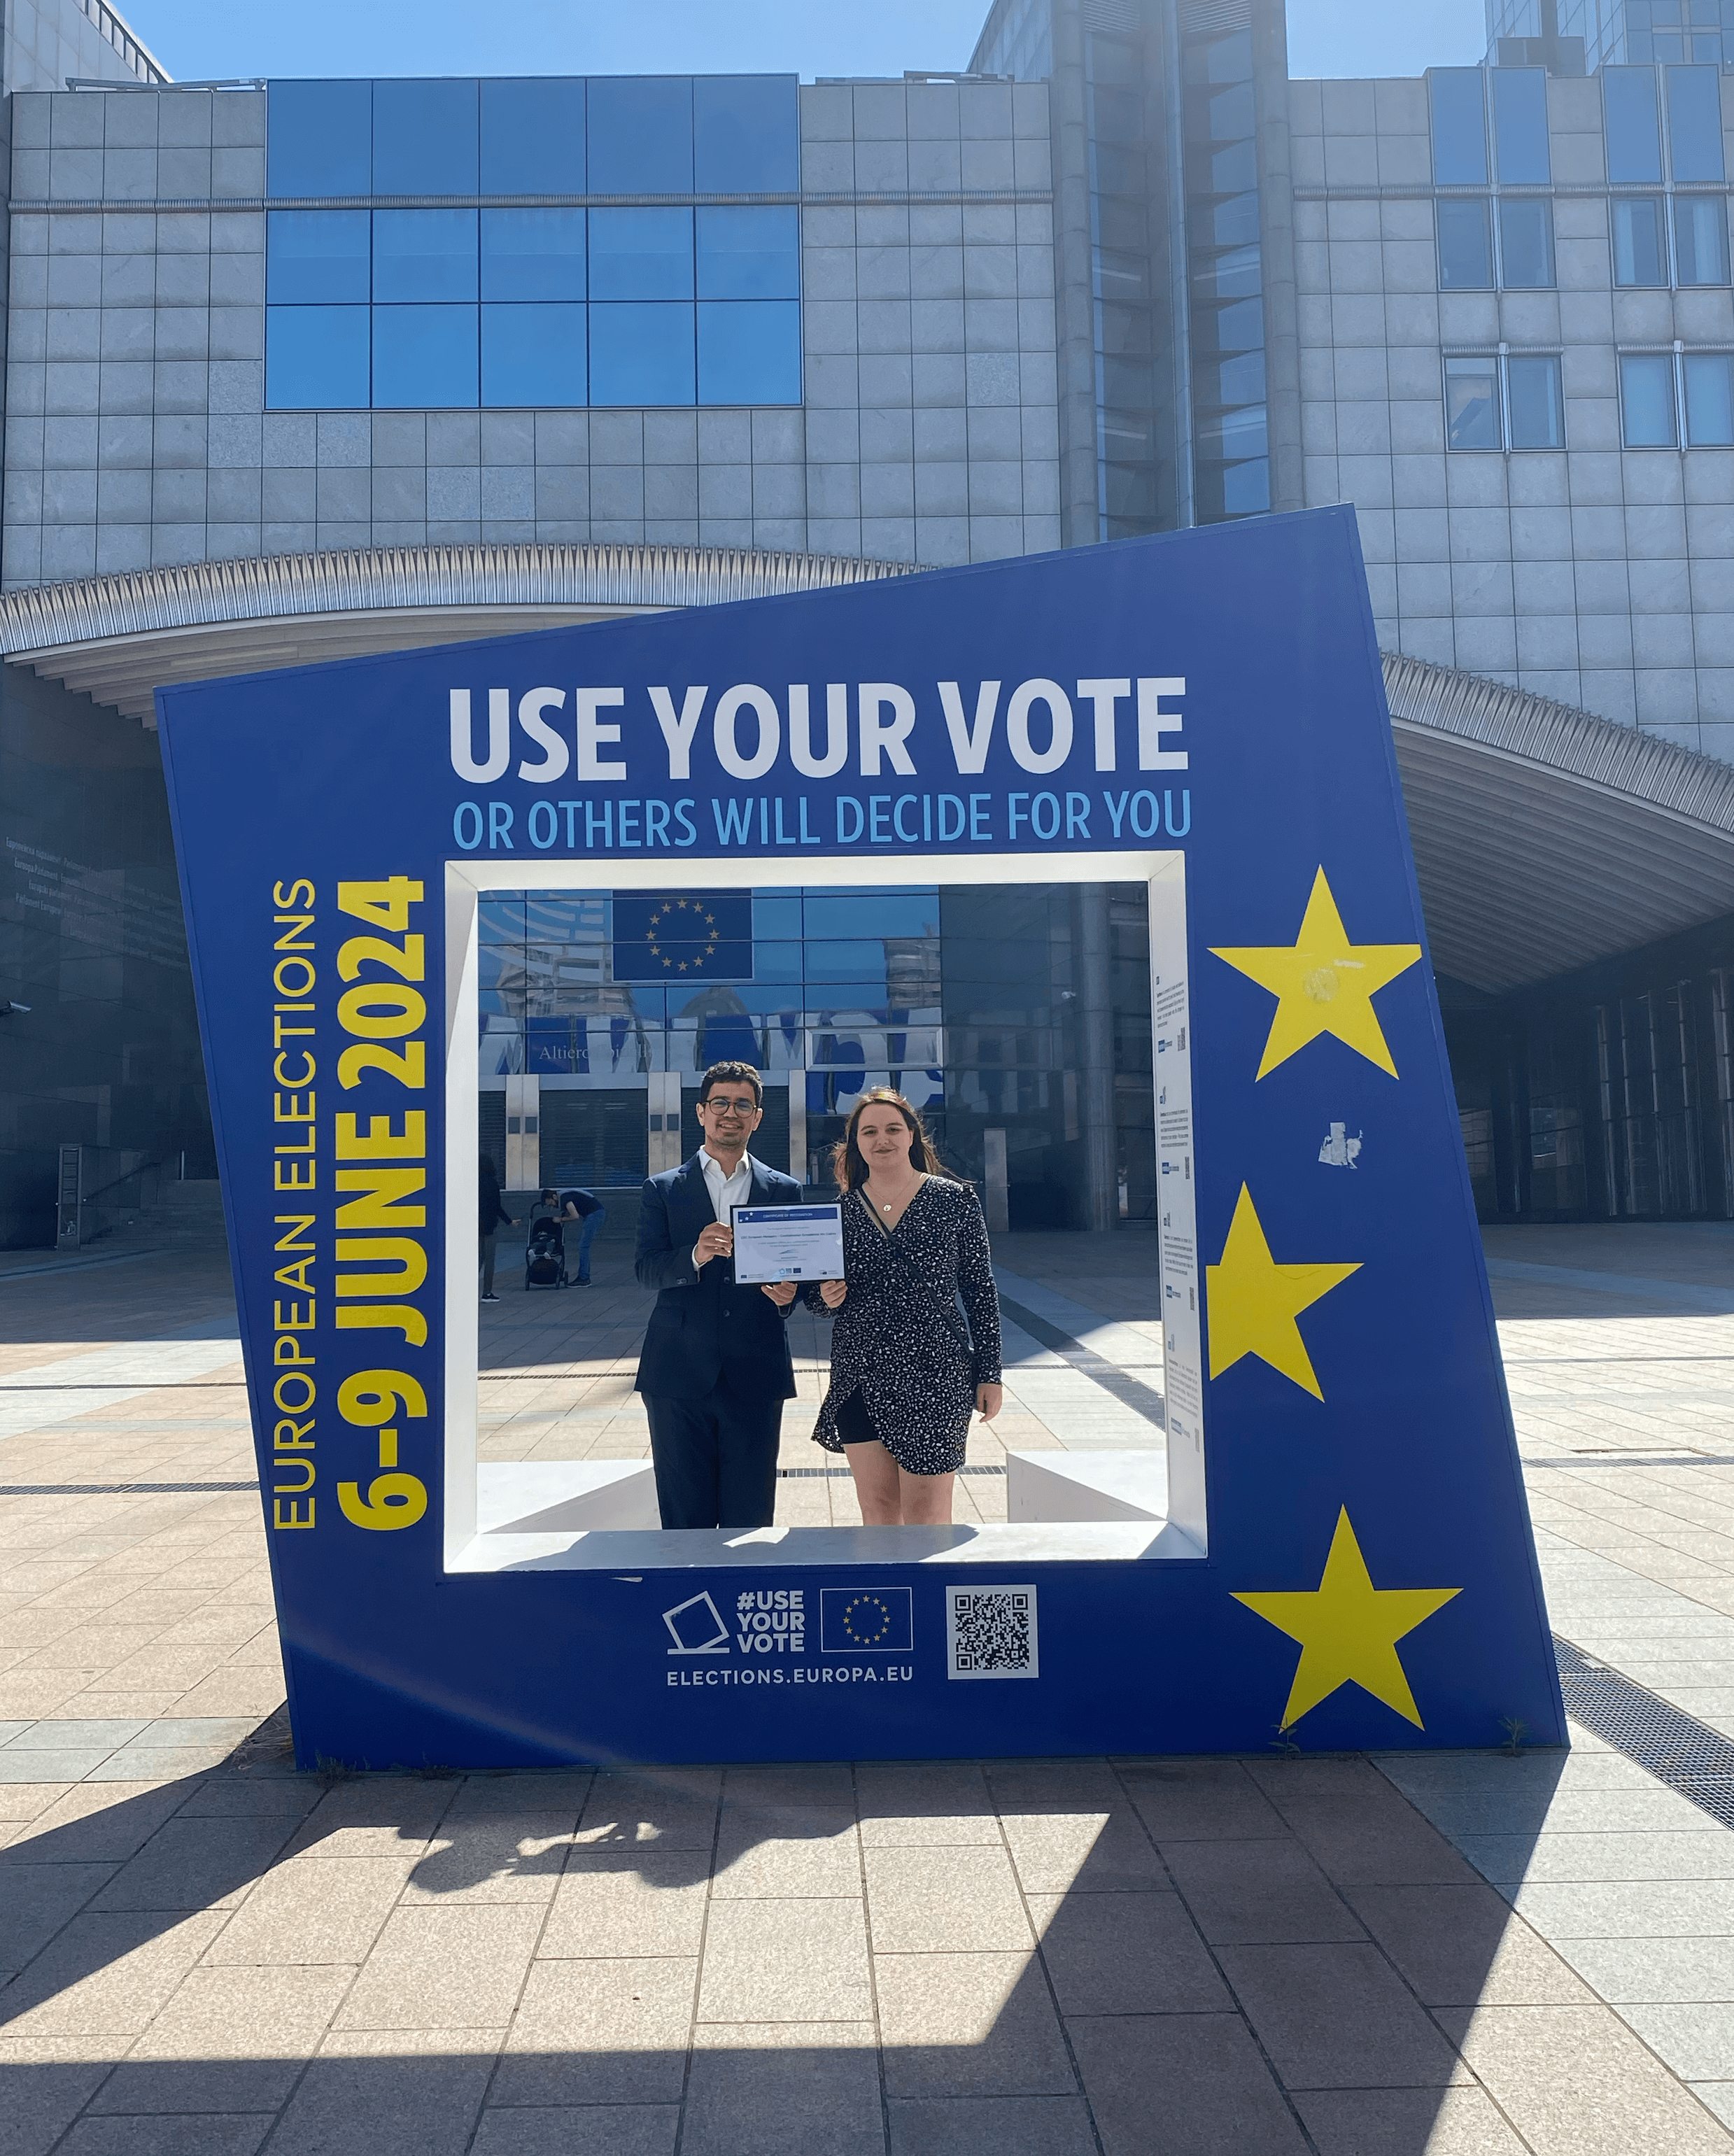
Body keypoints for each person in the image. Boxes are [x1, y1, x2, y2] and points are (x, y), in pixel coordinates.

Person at [808, 1088, 1003, 1526]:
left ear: (913, 1135)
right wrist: (824, 1297)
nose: (883, 1139)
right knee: (877, 1510)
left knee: (927, 1515)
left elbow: (980, 1291)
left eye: (893, 1128)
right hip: (861, 1370)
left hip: (935, 1372)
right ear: (855, 1142)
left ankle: (928, 1597)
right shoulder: (839, 1212)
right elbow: (814, 1299)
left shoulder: (954, 1201)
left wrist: (990, 1372)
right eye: (870, 1131)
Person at [633, 1060, 805, 1530]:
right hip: (677, 1375)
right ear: (701, 1112)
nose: (731, 1112)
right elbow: (646, 1268)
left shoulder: (785, 1190)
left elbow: (799, 1278)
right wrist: (692, 1254)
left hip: (756, 1370)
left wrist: (789, 1293)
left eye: (743, 1104)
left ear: (757, 1116)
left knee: (749, 1519)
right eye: (721, 1102)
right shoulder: (663, 1189)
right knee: (684, 1517)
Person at [537, 1185, 607, 1285]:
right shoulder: (565, 1194)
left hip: (594, 1215)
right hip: (596, 1213)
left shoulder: (565, 1198)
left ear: (554, 1197)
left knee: (583, 1246)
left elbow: (575, 1216)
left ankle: (584, 1278)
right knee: (584, 1245)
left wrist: (560, 1219)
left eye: (551, 1203)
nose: (553, 1206)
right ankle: (584, 1276)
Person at [479, 1153, 518, 1303]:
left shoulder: (473, 1182)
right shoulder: (491, 1183)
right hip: (489, 1225)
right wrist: (509, 1221)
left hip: (475, 1225)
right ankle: (487, 1293)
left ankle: (467, 1290)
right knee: (489, 1259)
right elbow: (496, 1206)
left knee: (477, 1259)